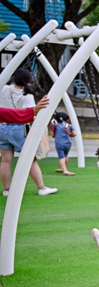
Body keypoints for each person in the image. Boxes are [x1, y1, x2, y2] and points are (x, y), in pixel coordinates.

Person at [0, 69, 57, 197]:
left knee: (5, 160)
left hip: (2, 126)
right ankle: (41, 187)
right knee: (30, 159)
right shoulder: (27, 96)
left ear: (13, 77)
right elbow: (31, 114)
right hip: (19, 128)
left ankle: (7, 189)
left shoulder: (4, 89)